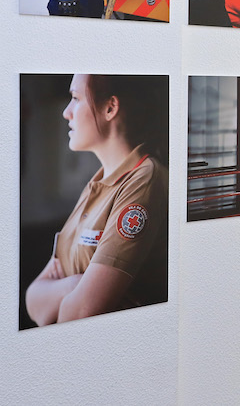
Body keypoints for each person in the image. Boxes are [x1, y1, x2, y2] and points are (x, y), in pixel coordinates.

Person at [25, 74, 167, 326]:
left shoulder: (143, 180)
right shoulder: (97, 183)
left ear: (110, 108)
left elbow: (80, 314)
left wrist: (63, 294)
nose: (66, 112)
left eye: (76, 98)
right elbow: (33, 299)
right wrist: (74, 285)